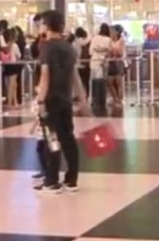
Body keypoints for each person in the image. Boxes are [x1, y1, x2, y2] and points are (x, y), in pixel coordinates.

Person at [35, 10, 87, 194]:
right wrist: (82, 99)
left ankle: (51, 181)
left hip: (50, 100)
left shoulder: (47, 48)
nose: (40, 26)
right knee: (69, 139)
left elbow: (45, 76)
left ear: (47, 26)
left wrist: (40, 101)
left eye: (41, 23)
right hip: (65, 100)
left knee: (52, 139)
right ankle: (71, 180)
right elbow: (75, 76)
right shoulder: (68, 47)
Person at [88, 23, 112, 112]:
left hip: (93, 61)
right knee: (102, 82)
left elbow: (90, 51)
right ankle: (101, 100)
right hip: (103, 62)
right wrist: (103, 51)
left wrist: (97, 50)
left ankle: (93, 100)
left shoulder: (94, 38)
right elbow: (109, 51)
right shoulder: (108, 39)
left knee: (93, 82)